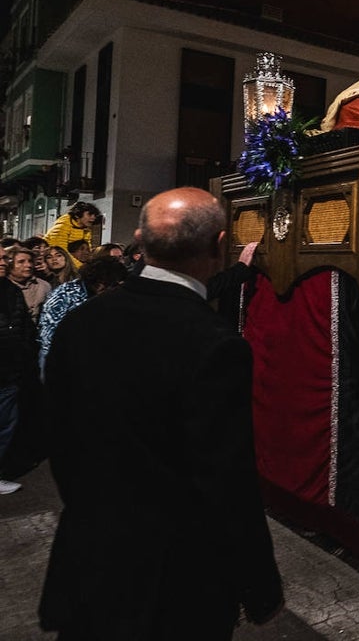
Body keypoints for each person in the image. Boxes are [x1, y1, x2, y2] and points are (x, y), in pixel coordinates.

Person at [39, 187, 283, 637]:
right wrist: (259, 582)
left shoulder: (79, 324)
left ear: (139, 240)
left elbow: (59, 440)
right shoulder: (216, 345)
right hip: (175, 581)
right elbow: (226, 481)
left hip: (90, 562)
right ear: (219, 244)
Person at [37, 255, 128, 378]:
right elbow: (50, 333)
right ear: (100, 282)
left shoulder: (106, 298)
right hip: (59, 358)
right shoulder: (65, 294)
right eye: (113, 284)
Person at [0, 249, 37, 496]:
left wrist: (23, 354)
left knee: (5, 425)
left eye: (4, 258)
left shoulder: (10, 290)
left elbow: (24, 326)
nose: (4, 262)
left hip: (7, 372)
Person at [43, 202, 101, 269]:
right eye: (90, 214)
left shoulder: (85, 230)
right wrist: (81, 267)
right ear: (77, 215)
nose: (93, 217)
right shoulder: (61, 227)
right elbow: (62, 252)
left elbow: (88, 250)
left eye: (94, 215)